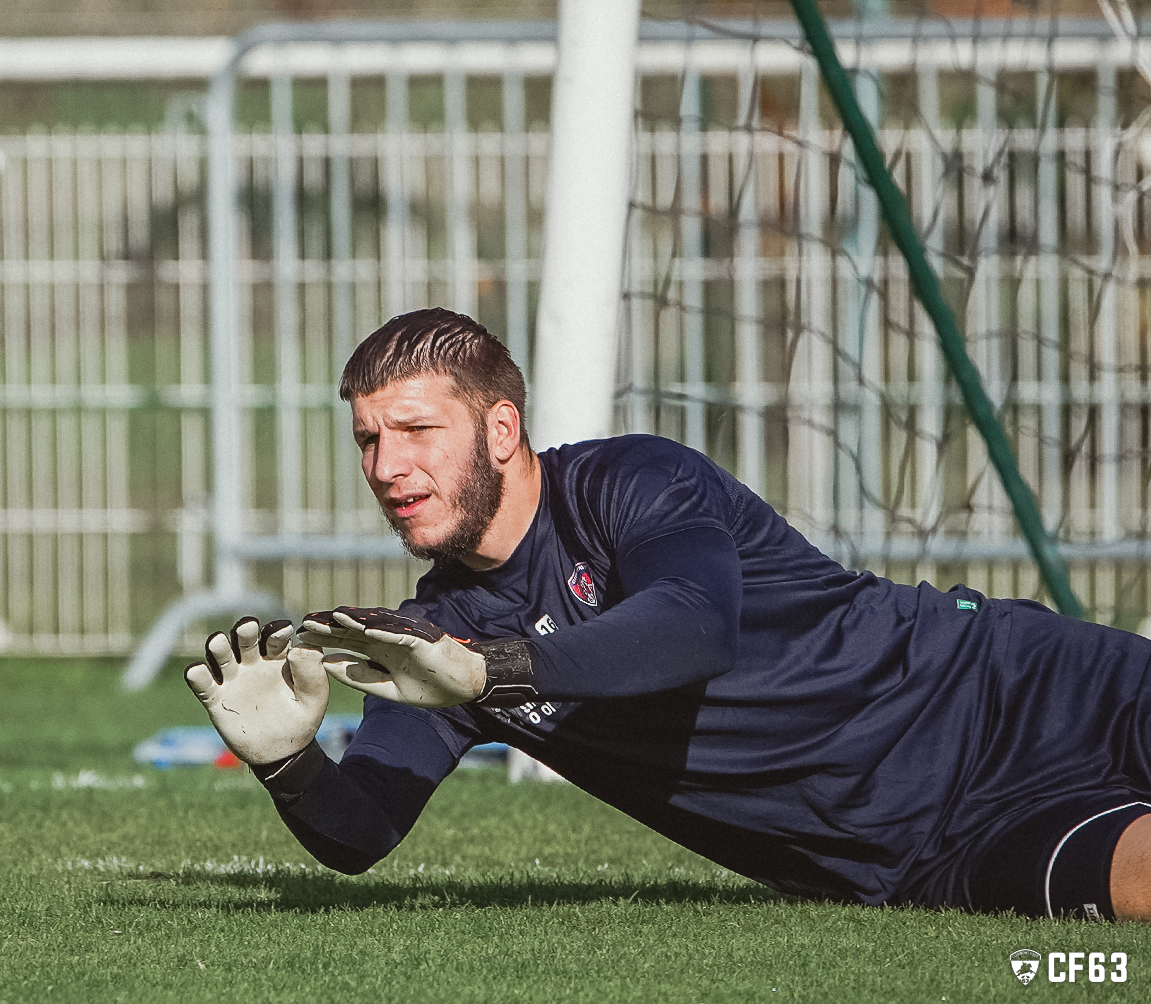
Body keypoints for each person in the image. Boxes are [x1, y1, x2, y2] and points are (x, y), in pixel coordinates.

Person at [184, 307, 1151, 921]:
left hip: (1019, 688)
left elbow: (693, 627)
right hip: (926, 850)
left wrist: (492, 672)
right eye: (368, 441)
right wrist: (290, 763)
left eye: (417, 431)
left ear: (502, 428)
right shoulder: (427, 642)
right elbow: (361, 832)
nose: (388, 467)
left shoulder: (628, 482)